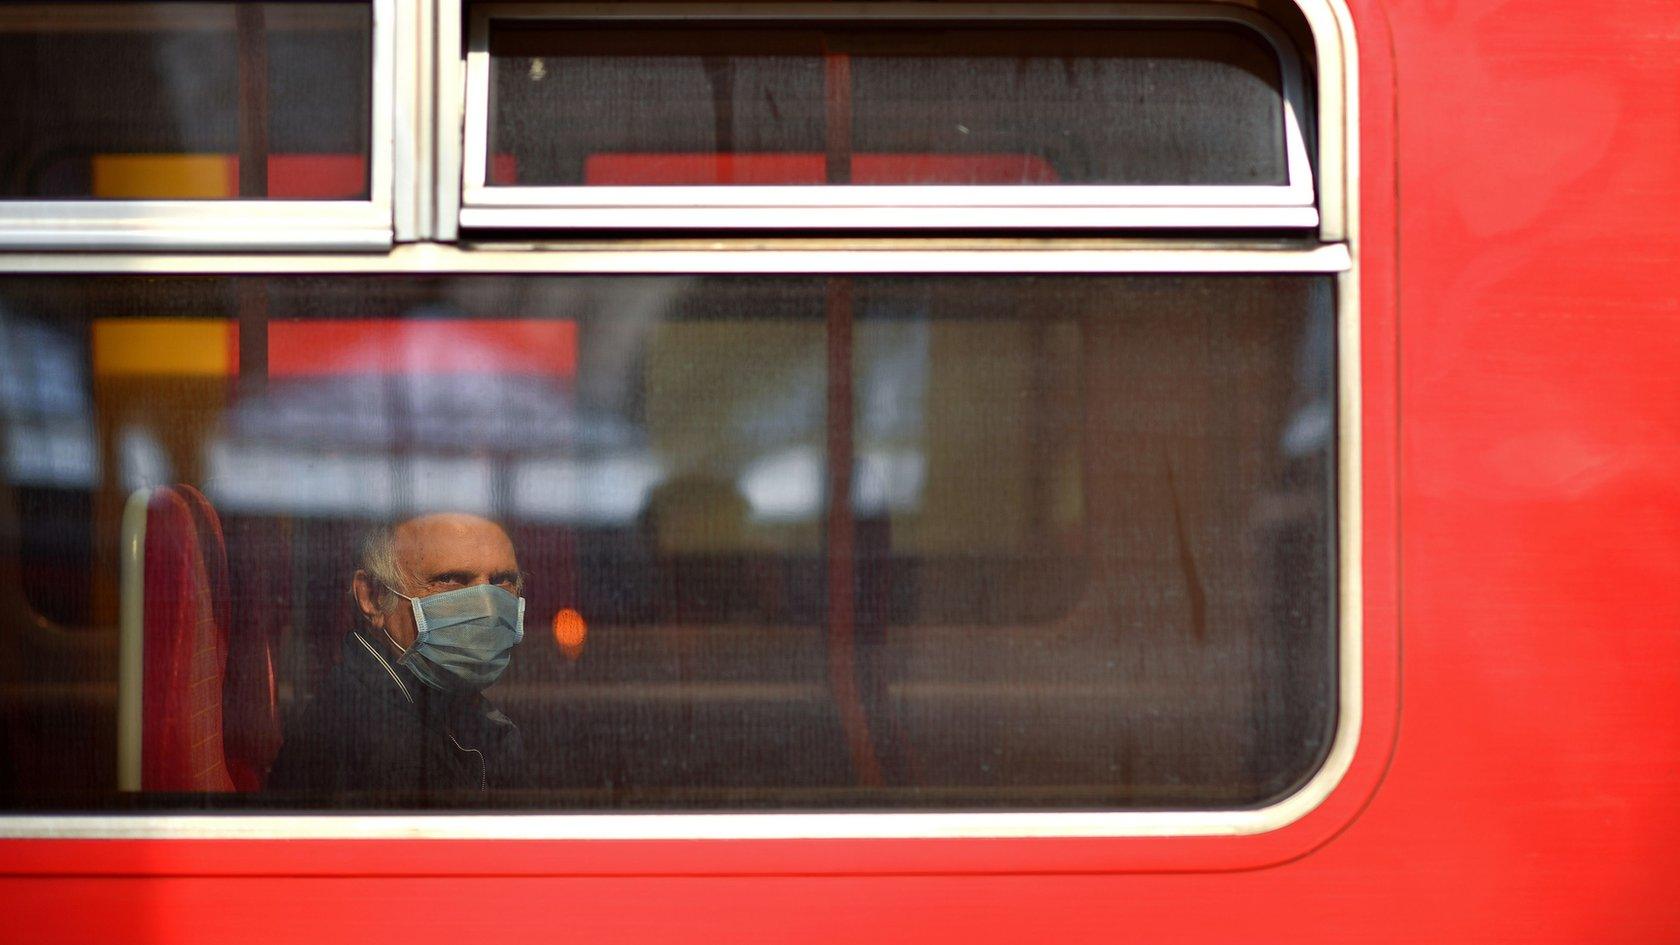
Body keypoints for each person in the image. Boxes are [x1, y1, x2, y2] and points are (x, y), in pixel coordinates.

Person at [266, 512, 527, 797]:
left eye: (502, 581)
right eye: (450, 579)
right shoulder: (363, 742)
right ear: (373, 598)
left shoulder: (438, 702)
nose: (487, 608)